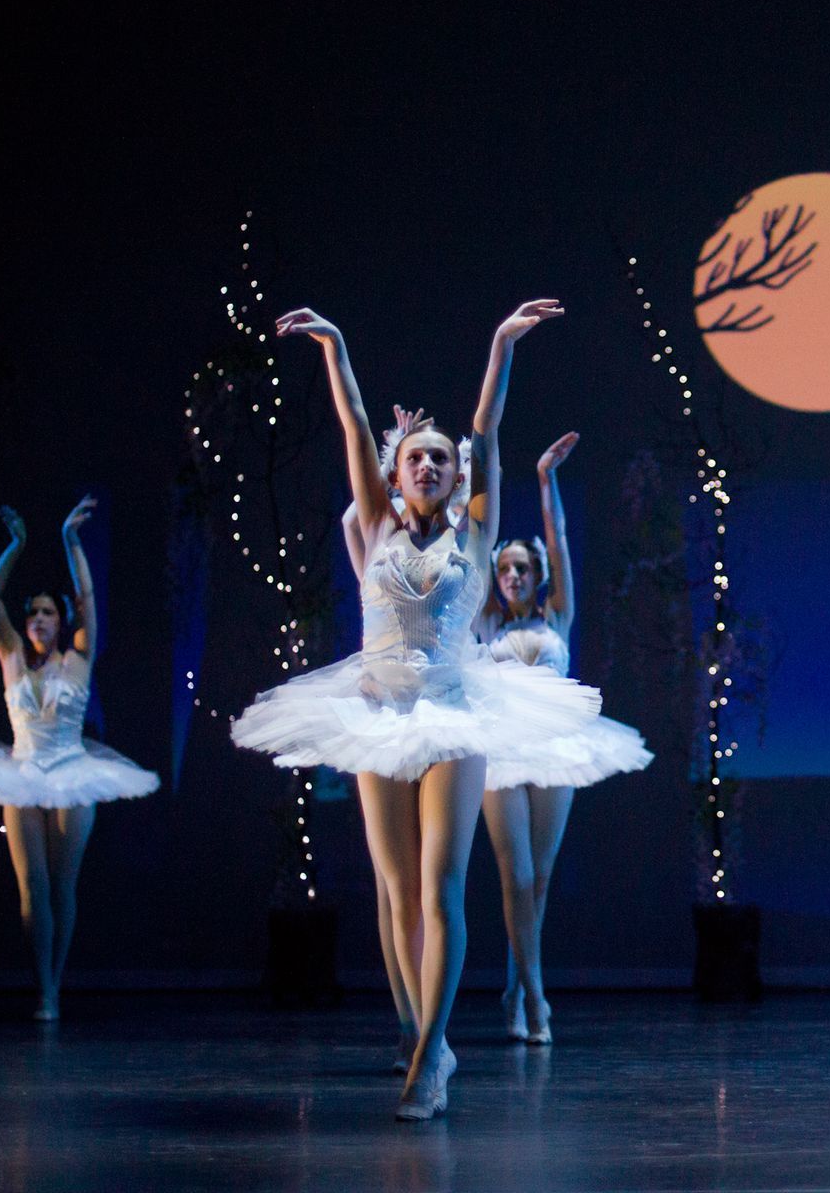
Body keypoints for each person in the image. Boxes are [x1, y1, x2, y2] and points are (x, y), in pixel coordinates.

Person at [234, 300, 602, 1119]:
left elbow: (488, 429)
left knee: (441, 889)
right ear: (396, 476)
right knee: (398, 892)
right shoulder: (375, 524)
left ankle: (433, 1054)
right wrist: (335, 344)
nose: (429, 465)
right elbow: (354, 423)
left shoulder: (476, 536)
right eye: (416, 458)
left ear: (457, 475)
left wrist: (501, 344)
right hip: (377, 714)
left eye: (440, 457)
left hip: (452, 715)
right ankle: (416, 1031)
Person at [476, 431, 651, 1045]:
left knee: (542, 878)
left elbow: (560, 542)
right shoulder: (485, 622)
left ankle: (516, 988)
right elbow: (473, 544)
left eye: (521, 568)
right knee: (515, 876)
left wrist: (547, 479)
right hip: (500, 751)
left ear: (538, 575)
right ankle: (537, 998)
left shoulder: (557, 616)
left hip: (555, 747)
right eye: (504, 569)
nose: (512, 575)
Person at [0, 497, 159, 1021]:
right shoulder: (11, 656)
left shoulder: (78, 658)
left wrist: (71, 541)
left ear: (60, 621)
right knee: (31, 889)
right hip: (23, 771)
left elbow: (88, 601)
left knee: (61, 885)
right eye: (32, 612)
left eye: (47, 612)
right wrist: (16, 545)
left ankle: (54, 984)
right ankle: (44, 988)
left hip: (71, 772)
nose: (37, 618)